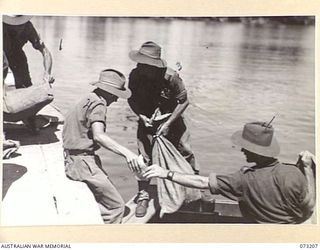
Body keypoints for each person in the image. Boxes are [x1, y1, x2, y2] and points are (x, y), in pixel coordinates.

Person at [143, 121, 316, 224]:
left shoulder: (242, 180)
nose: (242, 150)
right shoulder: (294, 173)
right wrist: (307, 169)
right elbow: (308, 209)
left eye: (245, 147)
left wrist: (166, 173)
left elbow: (202, 182)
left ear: (255, 151)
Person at [128, 41, 199, 217]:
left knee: (185, 153)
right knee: (144, 157)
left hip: (172, 120)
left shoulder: (171, 77)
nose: (140, 67)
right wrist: (140, 115)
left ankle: (195, 191)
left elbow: (184, 101)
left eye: (145, 64)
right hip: (147, 121)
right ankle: (144, 194)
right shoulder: (135, 75)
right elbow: (131, 99)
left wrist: (168, 124)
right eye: (140, 63)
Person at [62, 69, 141, 224]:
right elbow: (99, 136)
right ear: (110, 92)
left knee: (104, 198)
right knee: (116, 207)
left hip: (72, 159)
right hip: (83, 164)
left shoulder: (86, 99)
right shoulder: (99, 104)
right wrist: (128, 153)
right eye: (116, 95)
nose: (116, 100)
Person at [3, 15, 54, 132]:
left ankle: (29, 118)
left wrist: (47, 73)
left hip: (16, 54)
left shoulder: (28, 27)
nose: (18, 27)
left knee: (26, 85)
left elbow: (45, 51)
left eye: (20, 24)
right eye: (14, 24)